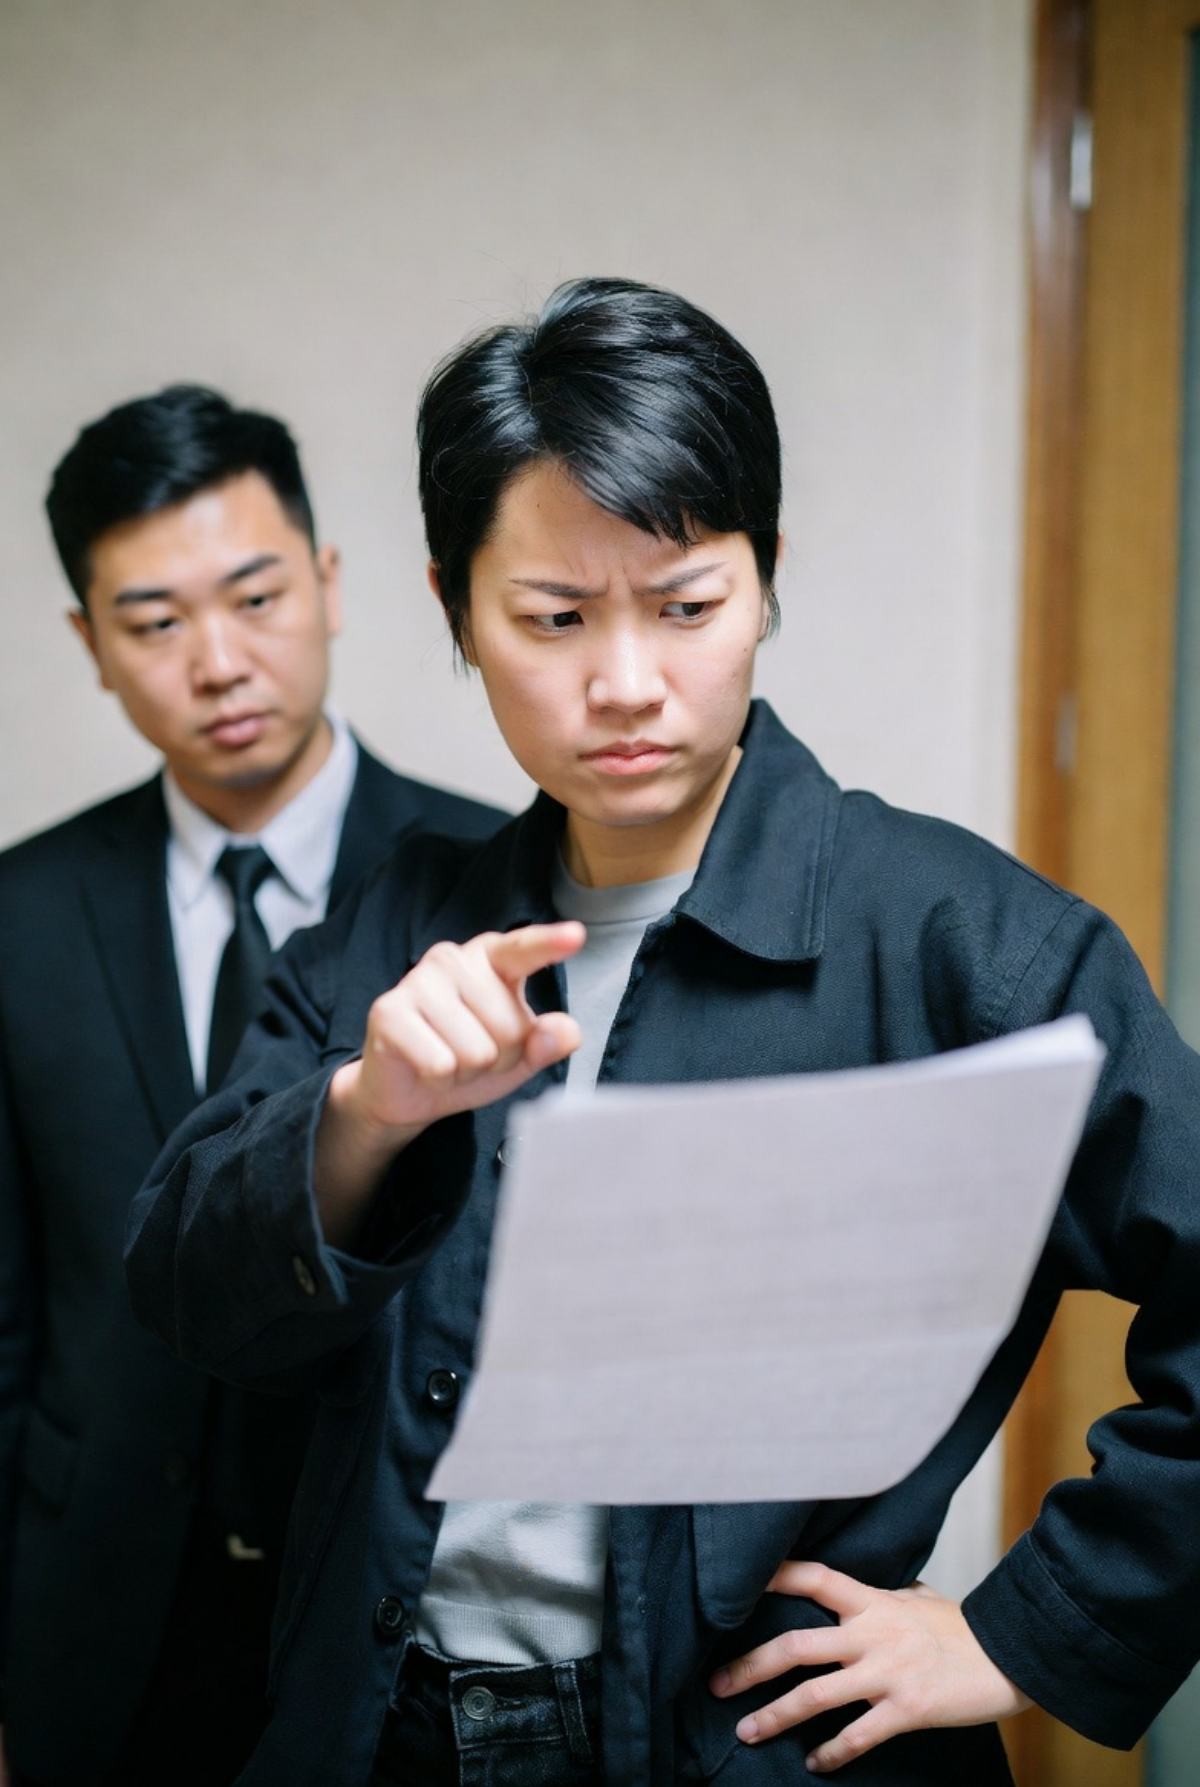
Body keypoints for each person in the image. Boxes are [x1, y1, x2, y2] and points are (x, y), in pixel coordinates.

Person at [126, 282, 1200, 1787]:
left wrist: (1026, 1629)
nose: (625, 684)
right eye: (554, 619)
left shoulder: (965, 941)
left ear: (767, 580)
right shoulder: (392, 927)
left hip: (754, 1753)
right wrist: (368, 1109)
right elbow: (181, 1288)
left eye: (687, 605)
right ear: (456, 612)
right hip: (386, 1733)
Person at [0, 385, 505, 1787]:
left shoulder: (489, 884)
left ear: (331, 587)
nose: (219, 662)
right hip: (94, 1614)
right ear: (90, 646)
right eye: (155, 623)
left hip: (386, 1623)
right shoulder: (21, 916)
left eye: (256, 597)